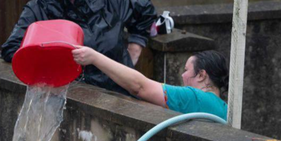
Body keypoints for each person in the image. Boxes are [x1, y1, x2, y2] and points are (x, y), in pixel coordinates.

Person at [1, 0, 157, 95]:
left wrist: (136, 44)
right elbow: (11, 49)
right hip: (73, 97)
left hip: (121, 92)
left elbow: (145, 9)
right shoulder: (37, 10)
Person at [72, 47, 229, 120]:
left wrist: (94, 57)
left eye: (186, 70)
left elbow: (139, 87)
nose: (183, 75)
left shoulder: (195, 97)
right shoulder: (224, 108)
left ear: (201, 75)